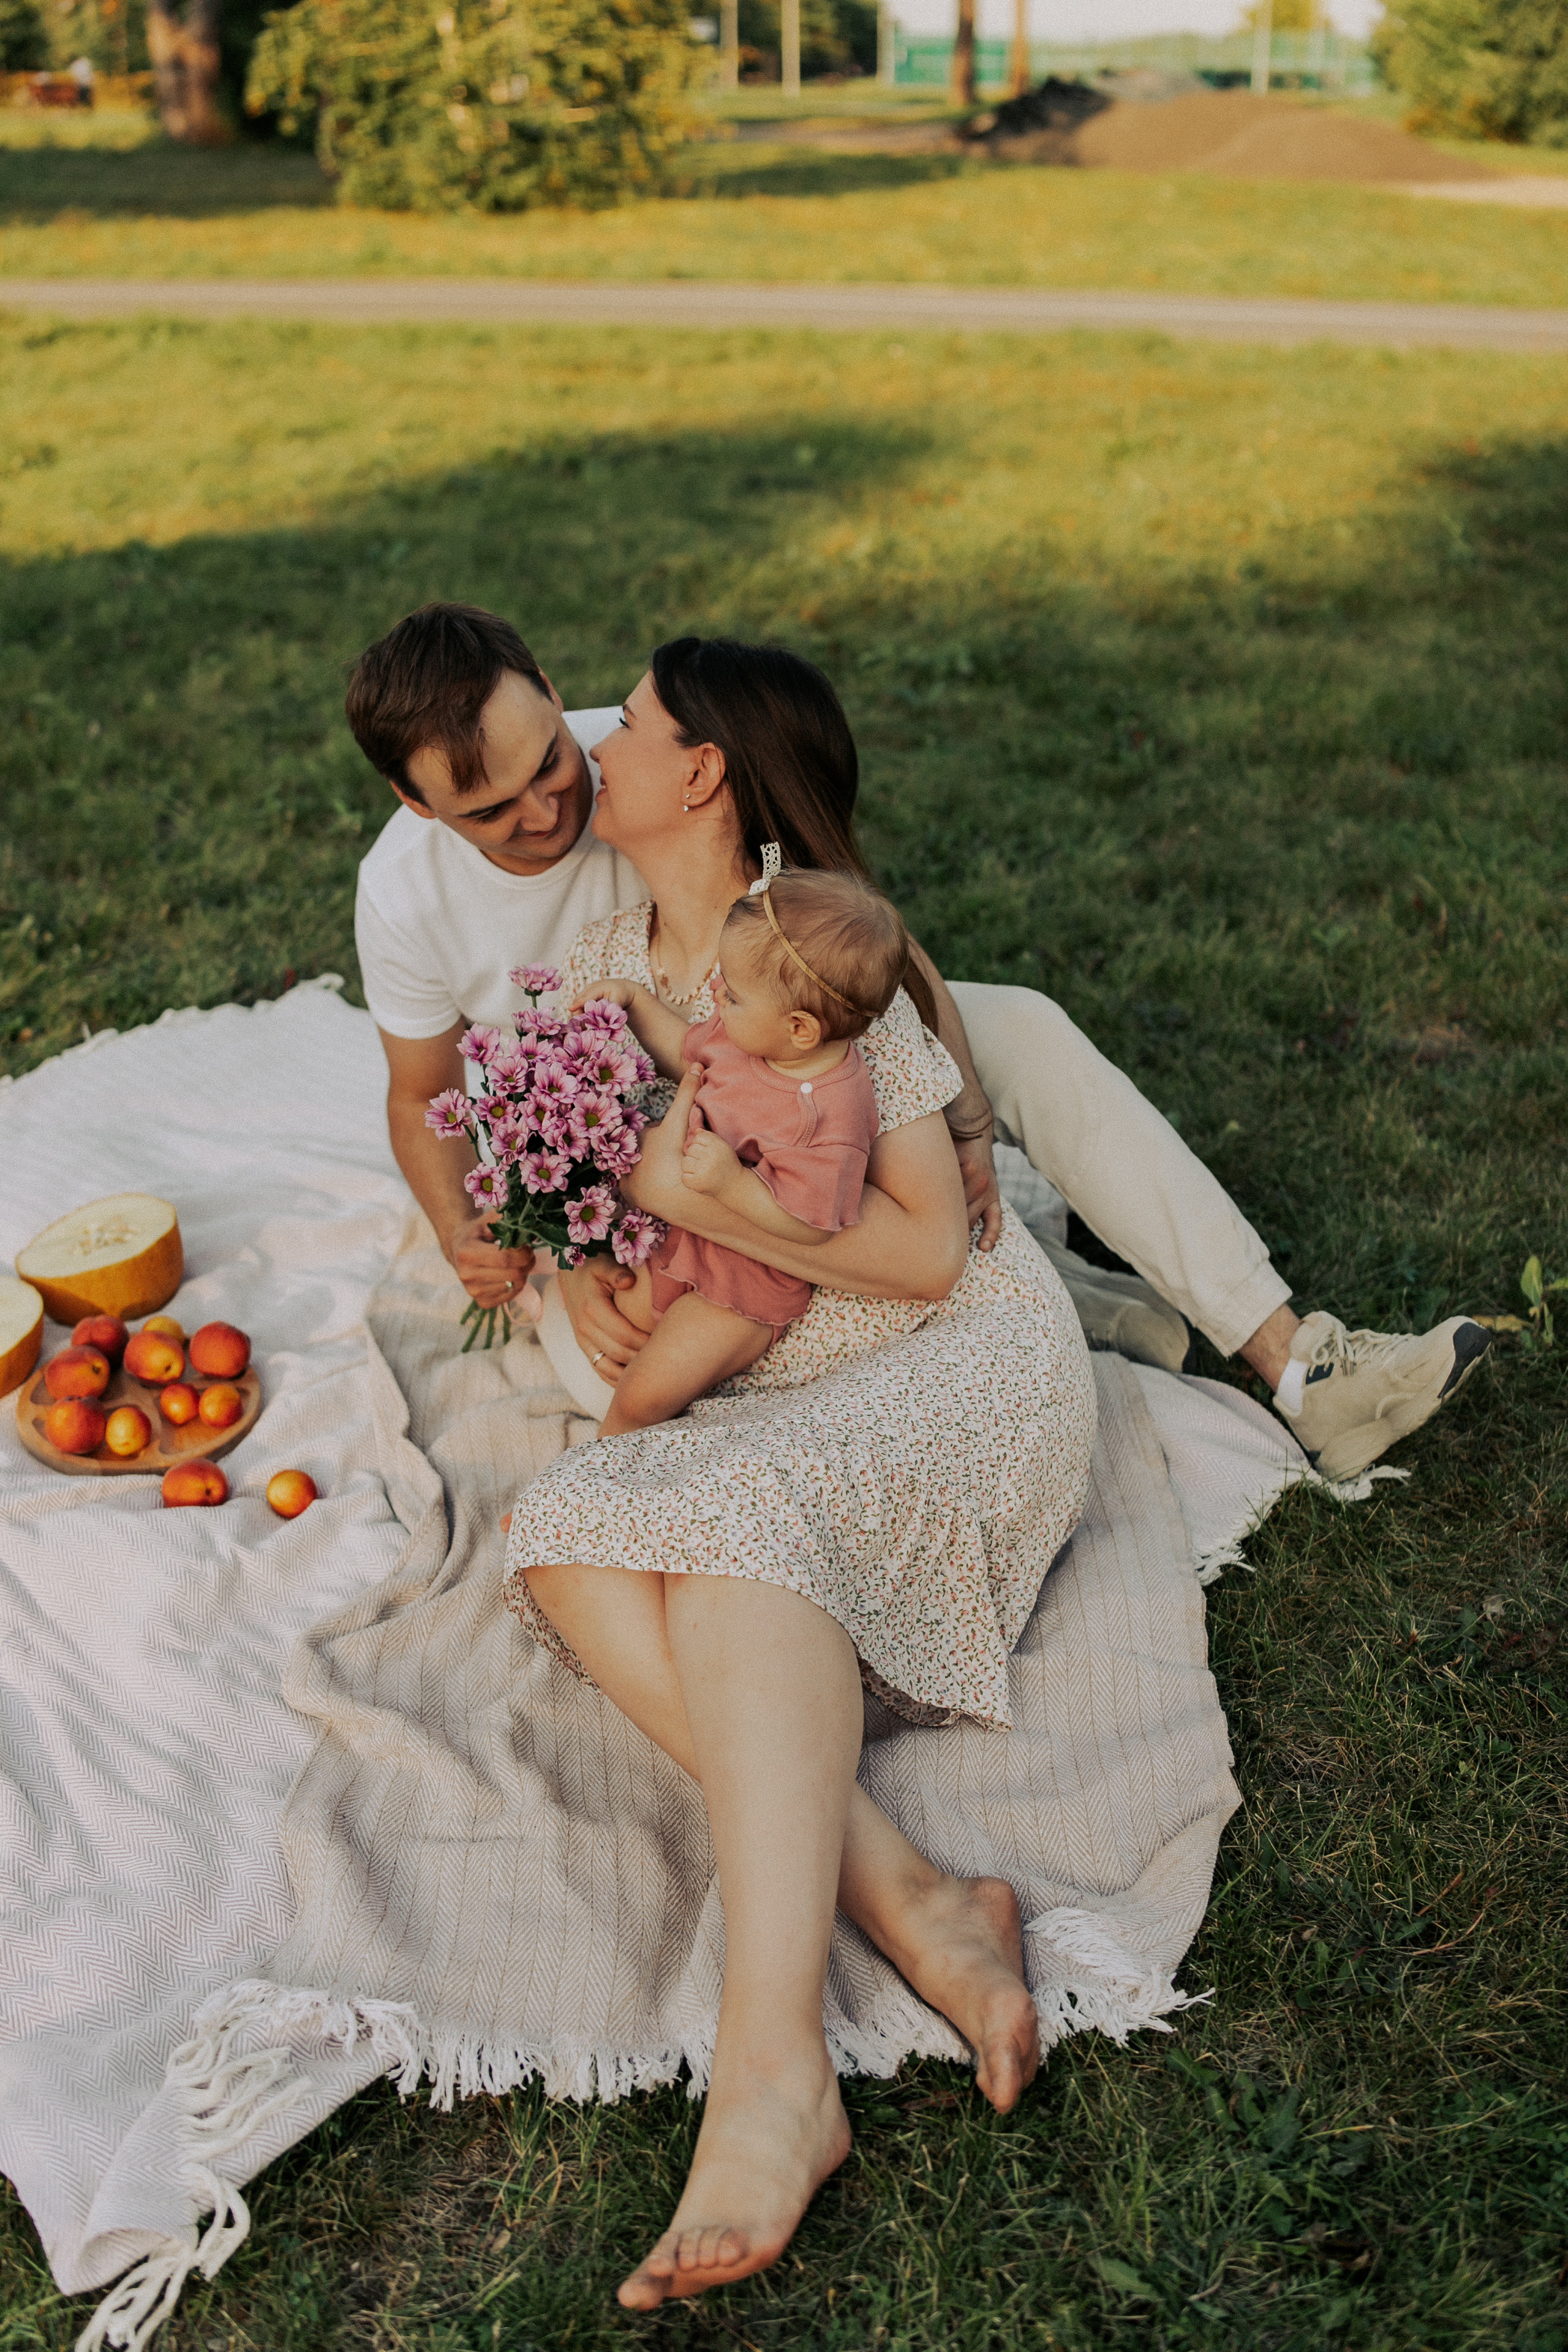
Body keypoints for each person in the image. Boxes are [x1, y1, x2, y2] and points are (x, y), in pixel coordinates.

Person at [347, 605, 1490, 1483]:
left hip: (794, 1013)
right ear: (415, 803)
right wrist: (534, 1252)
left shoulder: (629, 755)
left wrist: (971, 1111)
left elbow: (851, 913)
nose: (548, 809)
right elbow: (424, 1099)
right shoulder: (406, 897)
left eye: (551, 762)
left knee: (1020, 1032)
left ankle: (1299, 1360)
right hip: (621, 1106)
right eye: (495, 811)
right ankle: (1076, 1301)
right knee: (640, 1354)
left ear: (551, 696)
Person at [503, 685, 1096, 2304]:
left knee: (734, 1536)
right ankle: (908, 1894)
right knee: (557, 1534)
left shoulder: (809, 955)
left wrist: (703, 1199)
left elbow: (918, 1256)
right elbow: (603, 1195)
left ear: (698, 768)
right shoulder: (609, 975)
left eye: (624, 719)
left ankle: (771, 2074)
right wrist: (597, 1271)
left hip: (952, 1356)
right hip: (772, 1377)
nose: (591, 733)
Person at [579, 865, 905, 1436]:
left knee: (645, 1394)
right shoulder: (750, 1034)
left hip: (747, 1283)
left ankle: (579, 1499)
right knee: (621, 1313)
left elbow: (812, 1226)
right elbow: (687, 1050)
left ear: (801, 1029)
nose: (715, 992)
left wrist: (733, 1184)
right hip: (691, 1233)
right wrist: (632, 1003)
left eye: (732, 991)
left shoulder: (829, 1113)